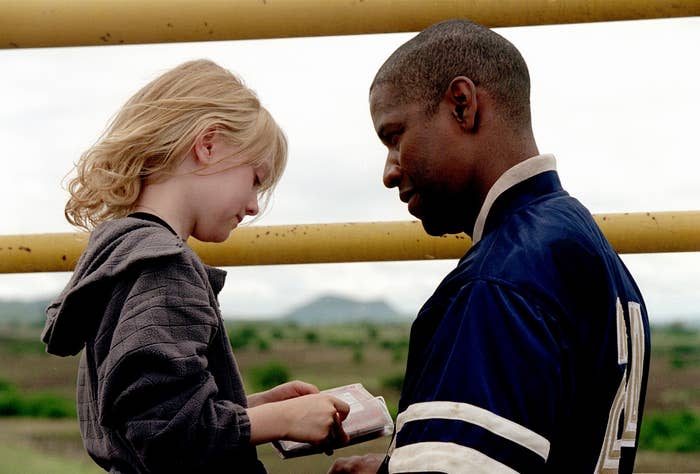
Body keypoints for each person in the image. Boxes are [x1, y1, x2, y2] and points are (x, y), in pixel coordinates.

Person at [329, 19, 650, 474]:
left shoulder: (496, 282)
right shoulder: (586, 245)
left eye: (395, 136)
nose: (389, 171)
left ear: (463, 105)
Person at [40, 59, 350, 473]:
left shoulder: (120, 254)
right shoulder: (165, 266)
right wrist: (283, 420)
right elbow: (161, 432)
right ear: (208, 145)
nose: (254, 205)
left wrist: (250, 408)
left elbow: (145, 416)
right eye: (255, 179)